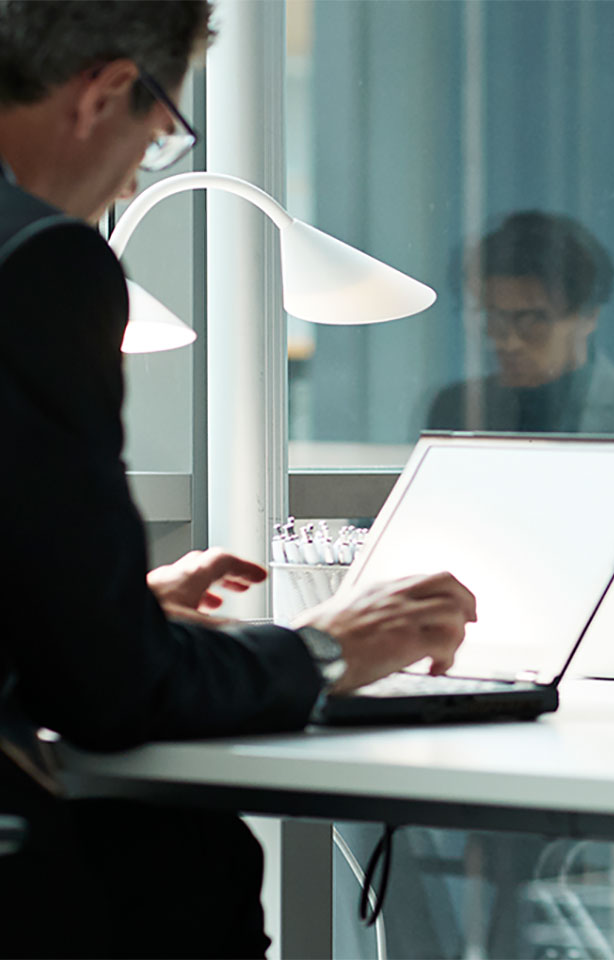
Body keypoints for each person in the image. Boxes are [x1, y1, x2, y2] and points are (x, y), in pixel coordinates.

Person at [0, 4, 477, 956]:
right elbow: (109, 692)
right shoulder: (41, 262)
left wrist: (103, 605)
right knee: (182, 858)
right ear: (102, 92)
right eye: (162, 129)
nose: (140, 172)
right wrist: (327, 651)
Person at [423, 210, 614, 441]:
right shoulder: (455, 407)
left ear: (588, 316)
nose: (507, 341)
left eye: (533, 320)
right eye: (491, 317)